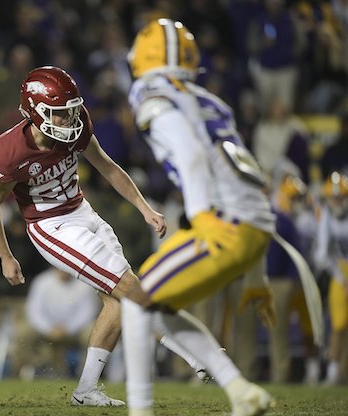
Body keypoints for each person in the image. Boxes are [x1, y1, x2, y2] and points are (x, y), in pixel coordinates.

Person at [0, 65, 167, 406]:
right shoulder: (9, 153)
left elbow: (108, 166)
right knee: (128, 285)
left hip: (82, 211)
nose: (68, 121)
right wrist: (7, 256)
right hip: (50, 224)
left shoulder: (77, 122)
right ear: (33, 112)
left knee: (116, 300)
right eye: (59, 114)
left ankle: (85, 390)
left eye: (70, 112)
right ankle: (189, 345)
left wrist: (144, 208)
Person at [125, 18, 280, 416]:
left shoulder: (151, 92)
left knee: (137, 302)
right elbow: (249, 179)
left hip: (224, 223)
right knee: (160, 309)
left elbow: (190, 153)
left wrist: (202, 216)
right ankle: (241, 391)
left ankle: (139, 410)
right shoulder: (211, 102)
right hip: (254, 226)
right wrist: (256, 273)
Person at [314, 172, 348, 386]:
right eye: (333, 198)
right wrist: (342, 278)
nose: (336, 202)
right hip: (340, 272)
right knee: (339, 323)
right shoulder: (326, 215)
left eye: (340, 198)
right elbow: (321, 255)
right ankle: (334, 371)